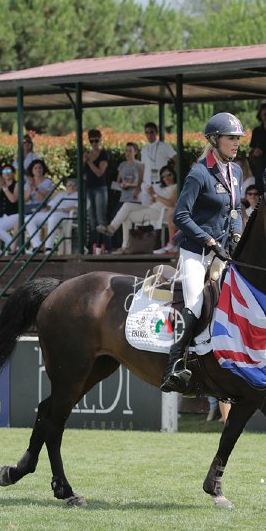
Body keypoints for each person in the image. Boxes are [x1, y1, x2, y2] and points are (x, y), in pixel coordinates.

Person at [161, 112, 244, 393]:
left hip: (224, 251)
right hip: (196, 251)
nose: (236, 143)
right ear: (214, 140)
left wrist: (236, 235)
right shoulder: (199, 173)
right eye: (231, 138)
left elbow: (236, 210)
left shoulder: (236, 172)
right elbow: (181, 216)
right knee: (196, 302)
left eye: (238, 138)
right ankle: (174, 365)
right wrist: (209, 241)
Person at [98, 165, 177, 254]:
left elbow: (171, 203)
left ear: (173, 174)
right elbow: (154, 202)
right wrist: (152, 195)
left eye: (169, 174)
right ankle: (112, 228)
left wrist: (155, 195)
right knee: (126, 205)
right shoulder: (161, 188)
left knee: (126, 216)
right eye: (163, 176)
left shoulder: (176, 187)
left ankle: (125, 247)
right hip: (153, 209)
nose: (166, 178)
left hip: (162, 213)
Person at [25, 178, 78, 252]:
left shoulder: (78, 195)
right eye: (69, 185)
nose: (71, 187)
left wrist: (62, 209)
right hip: (51, 213)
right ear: (66, 186)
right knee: (29, 218)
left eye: (74, 185)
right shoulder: (61, 194)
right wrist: (46, 208)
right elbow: (51, 205)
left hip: (65, 215)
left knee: (53, 217)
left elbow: (76, 208)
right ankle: (37, 245)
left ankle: (48, 247)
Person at [83, 128, 110, 251]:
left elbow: (100, 172)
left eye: (96, 141)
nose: (94, 143)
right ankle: (93, 247)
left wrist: (89, 162)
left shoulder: (104, 154)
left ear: (100, 140)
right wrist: (83, 161)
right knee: (92, 220)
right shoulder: (87, 155)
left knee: (101, 219)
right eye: (91, 141)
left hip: (100, 188)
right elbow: (81, 172)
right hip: (89, 188)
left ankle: (107, 246)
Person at [140, 122, 176, 204]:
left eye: (151, 132)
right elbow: (142, 168)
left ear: (156, 132)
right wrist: (139, 185)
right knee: (144, 210)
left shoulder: (165, 146)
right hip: (146, 185)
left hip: (160, 185)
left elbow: (177, 161)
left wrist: (171, 176)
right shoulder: (144, 149)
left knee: (157, 209)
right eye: (147, 132)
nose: (149, 135)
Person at [0, 164, 19, 254]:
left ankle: (15, 247)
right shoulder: (2, 186)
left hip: (14, 214)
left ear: (13, 173)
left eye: (9, 171)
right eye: (4, 171)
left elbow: (13, 199)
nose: (6, 173)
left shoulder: (17, 184)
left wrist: (5, 188)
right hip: (2, 215)